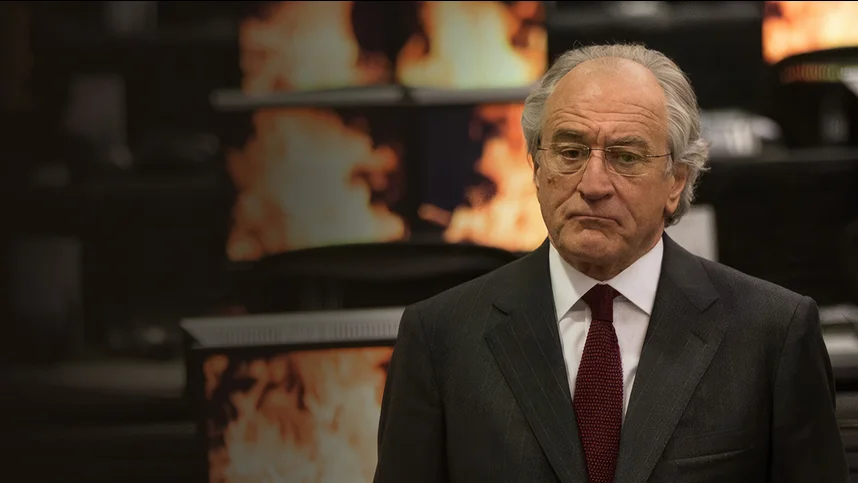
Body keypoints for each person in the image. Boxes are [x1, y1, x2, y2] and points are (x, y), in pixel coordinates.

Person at [373, 43, 849, 483]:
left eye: (625, 157)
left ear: (676, 182)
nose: (593, 184)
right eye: (570, 152)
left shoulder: (772, 334)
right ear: (536, 168)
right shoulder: (439, 338)